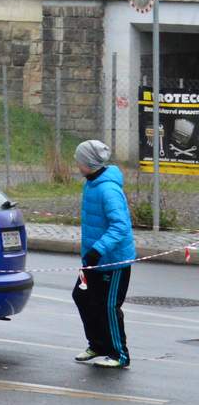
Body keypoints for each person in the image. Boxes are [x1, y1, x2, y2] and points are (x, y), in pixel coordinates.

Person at [72, 139, 136, 369]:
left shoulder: (108, 189)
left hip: (113, 260)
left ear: (88, 163)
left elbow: (120, 226)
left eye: (79, 160)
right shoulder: (91, 183)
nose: (76, 164)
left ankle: (120, 354)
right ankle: (97, 344)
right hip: (94, 260)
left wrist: (97, 250)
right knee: (82, 296)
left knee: (108, 306)